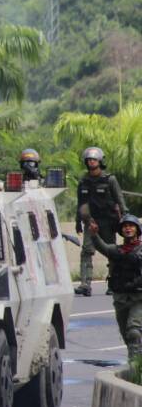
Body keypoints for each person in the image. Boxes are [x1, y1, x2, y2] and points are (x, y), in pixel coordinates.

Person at [88, 215, 142, 360]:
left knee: (134, 331)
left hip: (139, 298)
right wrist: (94, 234)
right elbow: (102, 247)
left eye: (131, 225)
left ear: (137, 229)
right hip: (121, 299)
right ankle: (137, 360)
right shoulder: (116, 250)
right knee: (127, 335)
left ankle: (134, 369)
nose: (128, 228)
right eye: (125, 226)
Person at [76, 147, 128, 297]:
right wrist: (78, 221)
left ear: (100, 161)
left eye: (94, 159)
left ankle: (113, 283)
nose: (91, 162)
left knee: (111, 251)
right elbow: (80, 203)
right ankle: (85, 284)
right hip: (90, 221)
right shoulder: (83, 181)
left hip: (108, 221)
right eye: (89, 160)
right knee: (86, 251)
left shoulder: (110, 179)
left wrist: (125, 215)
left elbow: (120, 198)